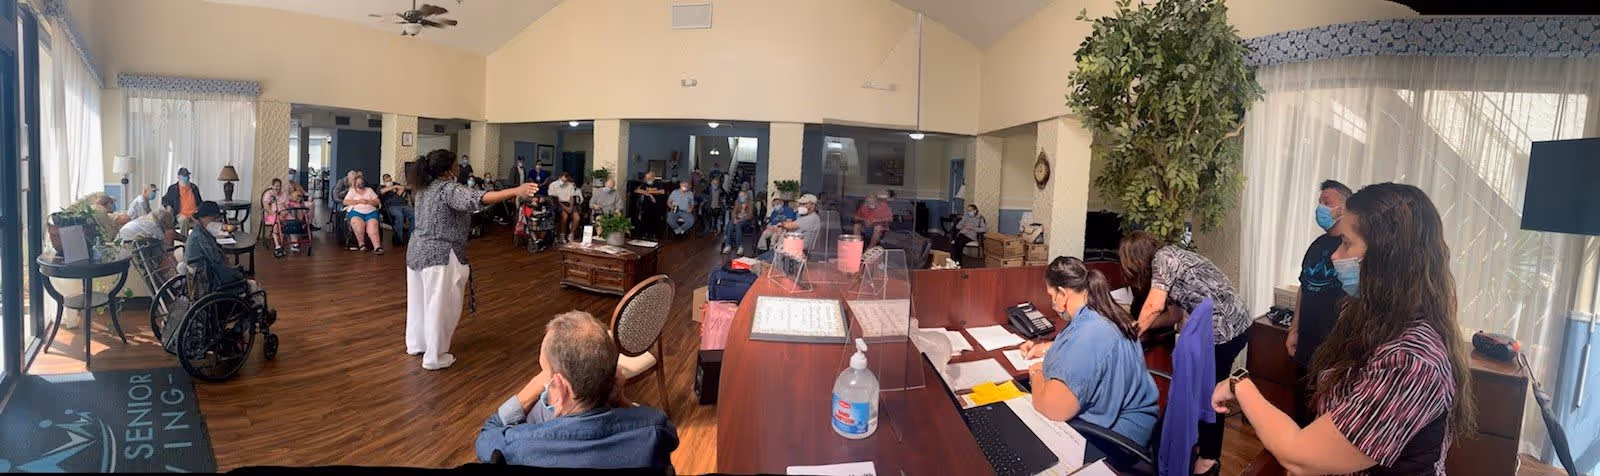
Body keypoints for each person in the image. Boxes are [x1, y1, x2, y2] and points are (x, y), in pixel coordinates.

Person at [1212, 183, 1474, 476]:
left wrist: (1240, 384)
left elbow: (1300, 455)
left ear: (1386, 258)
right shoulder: (1365, 315)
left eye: (1347, 244)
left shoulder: (1411, 360)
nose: (1335, 256)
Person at [1118, 230, 1253, 475]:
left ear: (1137, 259)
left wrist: (1131, 332)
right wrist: (1135, 324)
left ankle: (1208, 461)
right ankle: (1203, 447)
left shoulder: (1163, 258)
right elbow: (1174, 315)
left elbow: (1155, 305)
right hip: (1237, 325)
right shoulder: (1174, 259)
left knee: (1211, 394)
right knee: (1209, 391)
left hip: (1225, 329)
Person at [475, 311, 679, 469]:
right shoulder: (656, 428)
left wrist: (538, 382)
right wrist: (621, 399)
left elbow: (487, 434)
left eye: (547, 376)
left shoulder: (518, 444)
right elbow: (669, 434)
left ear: (562, 387)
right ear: (614, 377)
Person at [406, 149, 540, 370]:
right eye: (457, 164)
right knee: (441, 306)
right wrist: (515, 190)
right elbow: (476, 198)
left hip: (417, 251)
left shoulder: (423, 188)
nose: (460, 167)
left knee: (420, 302)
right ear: (448, 170)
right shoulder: (447, 189)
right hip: (441, 253)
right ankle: (434, 357)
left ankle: (417, 344)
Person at [1018, 256, 1160, 445]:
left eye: (1052, 296)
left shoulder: (1090, 332)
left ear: (1062, 294)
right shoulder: (1100, 314)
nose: (1052, 303)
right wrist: (1044, 347)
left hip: (1116, 439)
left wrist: (1036, 372)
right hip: (1133, 422)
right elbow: (1093, 352)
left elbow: (1053, 408)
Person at [1286, 179, 1352, 425]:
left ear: (1344, 208)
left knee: (1325, 413)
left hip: (1334, 349)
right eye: (1320, 202)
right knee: (1302, 406)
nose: (1320, 208)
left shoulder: (1352, 249)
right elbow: (1305, 287)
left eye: (1327, 203)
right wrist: (1294, 328)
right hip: (1307, 343)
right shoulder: (1316, 245)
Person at [185, 202, 263, 303]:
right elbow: (218, 265)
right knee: (253, 285)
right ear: (203, 218)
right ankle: (259, 313)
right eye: (214, 218)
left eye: (218, 218)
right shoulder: (201, 237)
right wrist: (237, 274)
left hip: (201, 280)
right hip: (210, 284)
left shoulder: (198, 233)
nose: (218, 221)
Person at [342, 175, 384, 254]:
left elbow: (377, 202)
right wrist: (358, 201)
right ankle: (361, 244)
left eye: (361, 182)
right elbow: (345, 202)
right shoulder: (352, 191)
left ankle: (377, 247)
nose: (360, 183)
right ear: (354, 183)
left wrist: (369, 202)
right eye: (358, 182)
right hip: (356, 212)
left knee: (373, 225)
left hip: (370, 212)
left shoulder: (369, 190)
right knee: (358, 224)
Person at [162, 167, 204, 235]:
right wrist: (168, 206)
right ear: (178, 177)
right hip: (181, 214)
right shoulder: (173, 188)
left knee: (202, 222)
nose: (186, 177)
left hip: (194, 214)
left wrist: (201, 210)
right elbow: (165, 199)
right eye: (184, 176)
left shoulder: (194, 188)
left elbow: (200, 202)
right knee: (184, 220)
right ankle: (185, 240)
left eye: (187, 175)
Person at [380, 174, 415, 244]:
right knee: (400, 216)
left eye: (390, 180)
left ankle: (411, 236)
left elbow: (410, 187)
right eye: (387, 181)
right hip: (392, 206)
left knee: (415, 214)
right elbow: (382, 191)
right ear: (384, 182)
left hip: (403, 205)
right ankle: (398, 238)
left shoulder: (397, 184)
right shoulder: (382, 187)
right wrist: (395, 187)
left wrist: (403, 187)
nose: (389, 182)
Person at [548, 172, 583, 243]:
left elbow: (572, 197)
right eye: (563, 180)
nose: (564, 182)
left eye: (565, 181)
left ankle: (571, 234)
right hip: (559, 203)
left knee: (577, 217)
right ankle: (562, 235)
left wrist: (571, 206)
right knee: (564, 216)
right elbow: (555, 199)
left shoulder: (570, 185)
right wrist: (565, 208)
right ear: (559, 178)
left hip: (569, 203)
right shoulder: (553, 185)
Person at [633, 172, 666, 240]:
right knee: (645, 218)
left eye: (649, 178)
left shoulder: (658, 183)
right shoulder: (644, 184)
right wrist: (650, 195)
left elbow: (662, 191)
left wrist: (650, 192)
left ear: (653, 178)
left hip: (657, 205)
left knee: (656, 219)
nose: (647, 179)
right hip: (646, 205)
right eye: (646, 178)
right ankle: (645, 234)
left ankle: (654, 234)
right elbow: (637, 190)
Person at [723, 189, 753, 255]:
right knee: (730, 224)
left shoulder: (750, 202)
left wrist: (743, 209)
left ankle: (740, 247)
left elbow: (750, 215)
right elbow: (734, 212)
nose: (741, 197)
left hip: (746, 220)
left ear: (746, 196)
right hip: (737, 218)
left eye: (742, 196)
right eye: (740, 196)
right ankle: (728, 245)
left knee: (738, 225)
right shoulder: (737, 201)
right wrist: (734, 218)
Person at [261, 179, 285, 253]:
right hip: (271, 214)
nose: (278, 187)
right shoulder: (269, 194)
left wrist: (284, 212)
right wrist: (275, 214)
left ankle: (294, 244)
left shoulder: (283, 194)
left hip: (283, 214)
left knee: (292, 222)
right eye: (276, 186)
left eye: (279, 186)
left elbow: (286, 205)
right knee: (276, 223)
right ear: (272, 186)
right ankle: (277, 245)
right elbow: (266, 207)